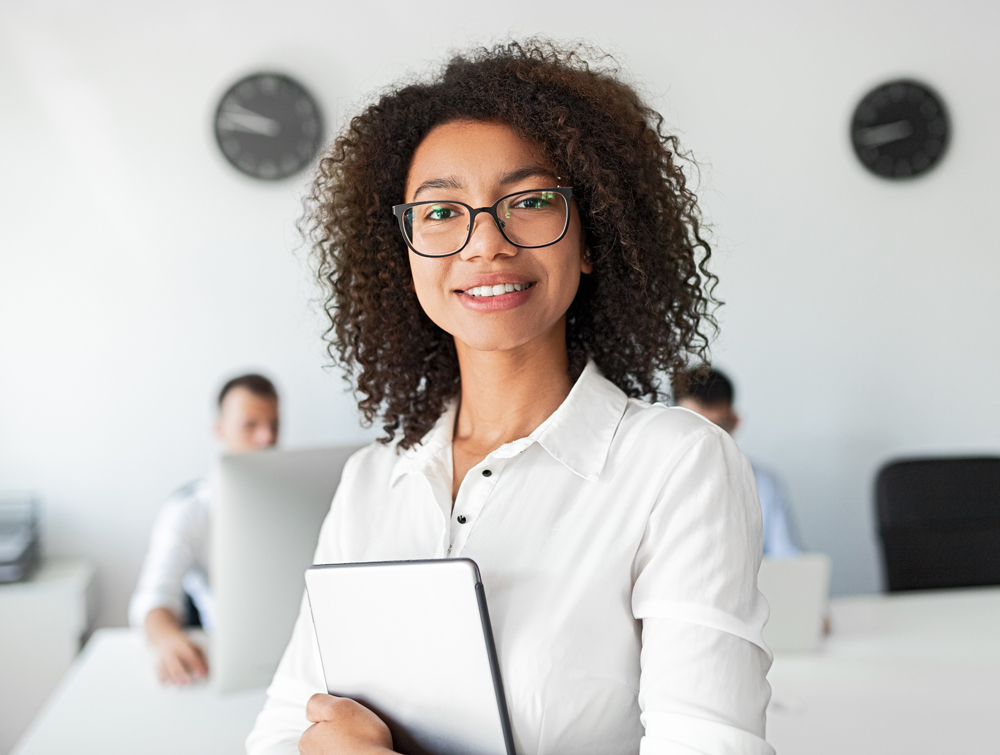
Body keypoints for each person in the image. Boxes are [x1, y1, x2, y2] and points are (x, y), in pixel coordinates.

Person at [248, 41, 773, 755]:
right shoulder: (373, 482)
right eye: (440, 213)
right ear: (403, 254)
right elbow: (281, 733)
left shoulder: (678, 466)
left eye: (528, 202)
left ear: (590, 237)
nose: (484, 243)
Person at [128, 373, 279, 684]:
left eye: (274, 425)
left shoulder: (303, 497)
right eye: (250, 425)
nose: (267, 438)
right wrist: (169, 639)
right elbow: (152, 599)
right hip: (232, 665)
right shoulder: (190, 509)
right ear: (220, 429)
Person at [675, 368, 802, 558]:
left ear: (734, 422)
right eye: (693, 426)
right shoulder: (649, 480)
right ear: (671, 422)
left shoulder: (764, 484)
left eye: (716, 428)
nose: (704, 440)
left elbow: (788, 561)